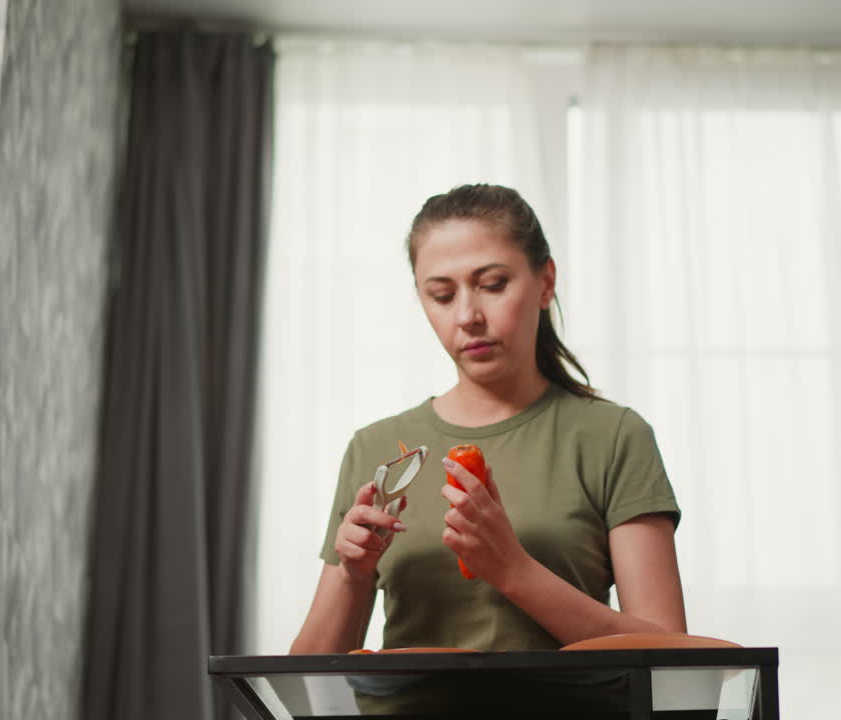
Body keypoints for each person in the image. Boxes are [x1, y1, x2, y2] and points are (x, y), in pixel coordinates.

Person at [290, 184, 686, 663]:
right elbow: (305, 676)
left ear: (545, 283)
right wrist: (352, 576)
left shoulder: (615, 437)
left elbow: (669, 653)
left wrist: (512, 569)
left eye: (493, 285)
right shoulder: (375, 448)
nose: (467, 316)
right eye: (440, 295)